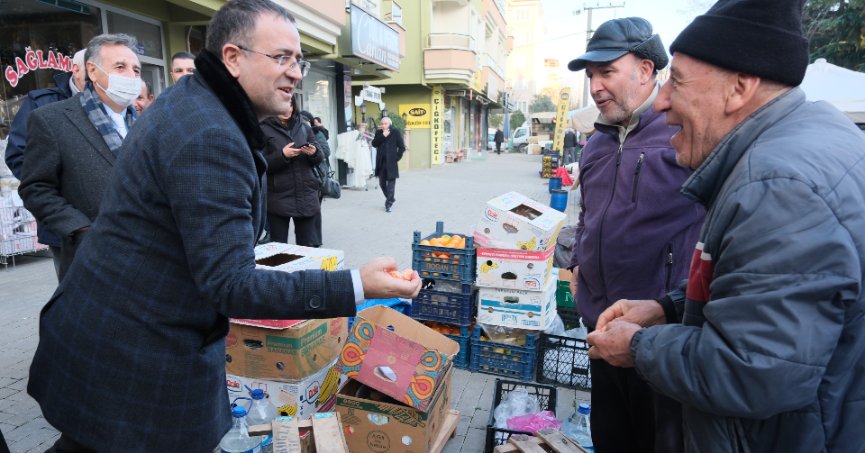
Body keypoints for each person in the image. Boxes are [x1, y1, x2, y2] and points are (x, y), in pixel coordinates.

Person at [26, 1, 420, 451]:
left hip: (108, 335)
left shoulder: (197, 100)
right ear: (232, 58)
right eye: (281, 57)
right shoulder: (209, 133)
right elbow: (230, 285)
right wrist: (357, 285)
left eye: (300, 60)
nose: (296, 73)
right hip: (134, 359)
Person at [585, 0, 865, 451]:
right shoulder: (809, 135)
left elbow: (753, 369)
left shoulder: (777, 186)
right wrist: (669, 308)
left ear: (739, 88)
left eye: (675, 81)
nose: (663, 102)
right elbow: (756, 287)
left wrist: (640, 347)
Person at [565, 17, 705, 453]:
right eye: (591, 76)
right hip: (601, 327)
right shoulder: (598, 141)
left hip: (659, 333)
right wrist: (576, 262)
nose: (595, 86)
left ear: (646, 71)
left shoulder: (684, 133)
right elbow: (589, 213)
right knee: (611, 438)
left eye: (606, 72)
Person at [18, 34, 140, 281]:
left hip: (148, 255)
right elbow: (36, 188)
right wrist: (81, 230)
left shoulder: (147, 123)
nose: (131, 76)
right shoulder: (52, 119)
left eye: (136, 69)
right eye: (120, 67)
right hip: (92, 259)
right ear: (92, 72)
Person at [5, 48, 86, 278]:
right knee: (73, 292)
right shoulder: (41, 103)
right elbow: (18, 154)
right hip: (64, 221)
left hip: (110, 219)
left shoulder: (114, 103)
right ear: (77, 69)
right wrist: (54, 190)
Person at [260, 99, 323, 247]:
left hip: (306, 194)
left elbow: (320, 156)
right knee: (278, 248)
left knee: (308, 246)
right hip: (278, 197)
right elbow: (259, 163)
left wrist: (314, 152)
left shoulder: (304, 126)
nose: (287, 109)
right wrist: (282, 155)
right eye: (283, 104)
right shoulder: (263, 128)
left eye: (290, 105)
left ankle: (306, 271)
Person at [371, 116, 405, 213]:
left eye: (385, 124)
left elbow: (402, 147)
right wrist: (383, 136)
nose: (383, 125)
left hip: (391, 163)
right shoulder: (379, 133)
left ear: (389, 124)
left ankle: (388, 204)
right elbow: (374, 144)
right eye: (382, 124)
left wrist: (396, 158)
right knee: (382, 184)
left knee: (391, 183)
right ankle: (391, 198)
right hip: (381, 162)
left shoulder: (395, 132)